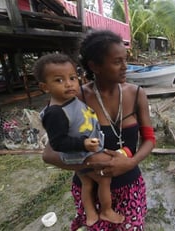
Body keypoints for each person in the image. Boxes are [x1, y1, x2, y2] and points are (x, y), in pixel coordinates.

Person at [41, 30, 156, 231]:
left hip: (130, 186)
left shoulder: (137, 94)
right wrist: (89, 162)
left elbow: (149, 139)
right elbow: (49, 154)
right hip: (91, 188)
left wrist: (130, 163)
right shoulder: (76, 100)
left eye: (125, 60)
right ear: (95, 66)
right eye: (117, 61)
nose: (125, 66)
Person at [34, 53, 126, 227]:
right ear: (45, 87)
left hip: (83, 151)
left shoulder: (70, 100)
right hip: (80, 153)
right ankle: (106, 211)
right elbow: (57, 143)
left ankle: (91, 213)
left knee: (87, 183)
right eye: (59, 80)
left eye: (72, 78)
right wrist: (83, 144)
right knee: (104, 179)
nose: (68, 84)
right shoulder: (55, 113)